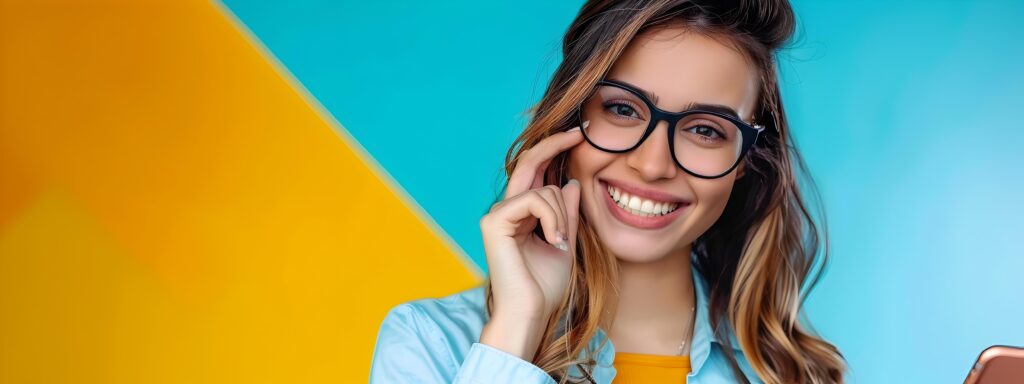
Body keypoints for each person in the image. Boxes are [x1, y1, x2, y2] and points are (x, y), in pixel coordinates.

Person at [369, 0, 847, 382]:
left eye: (706, 130)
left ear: (746, 161)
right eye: (622, 109)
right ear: (570, 113)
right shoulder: (430, 344)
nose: (652, 164)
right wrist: (517, 328)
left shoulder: (795, 374)